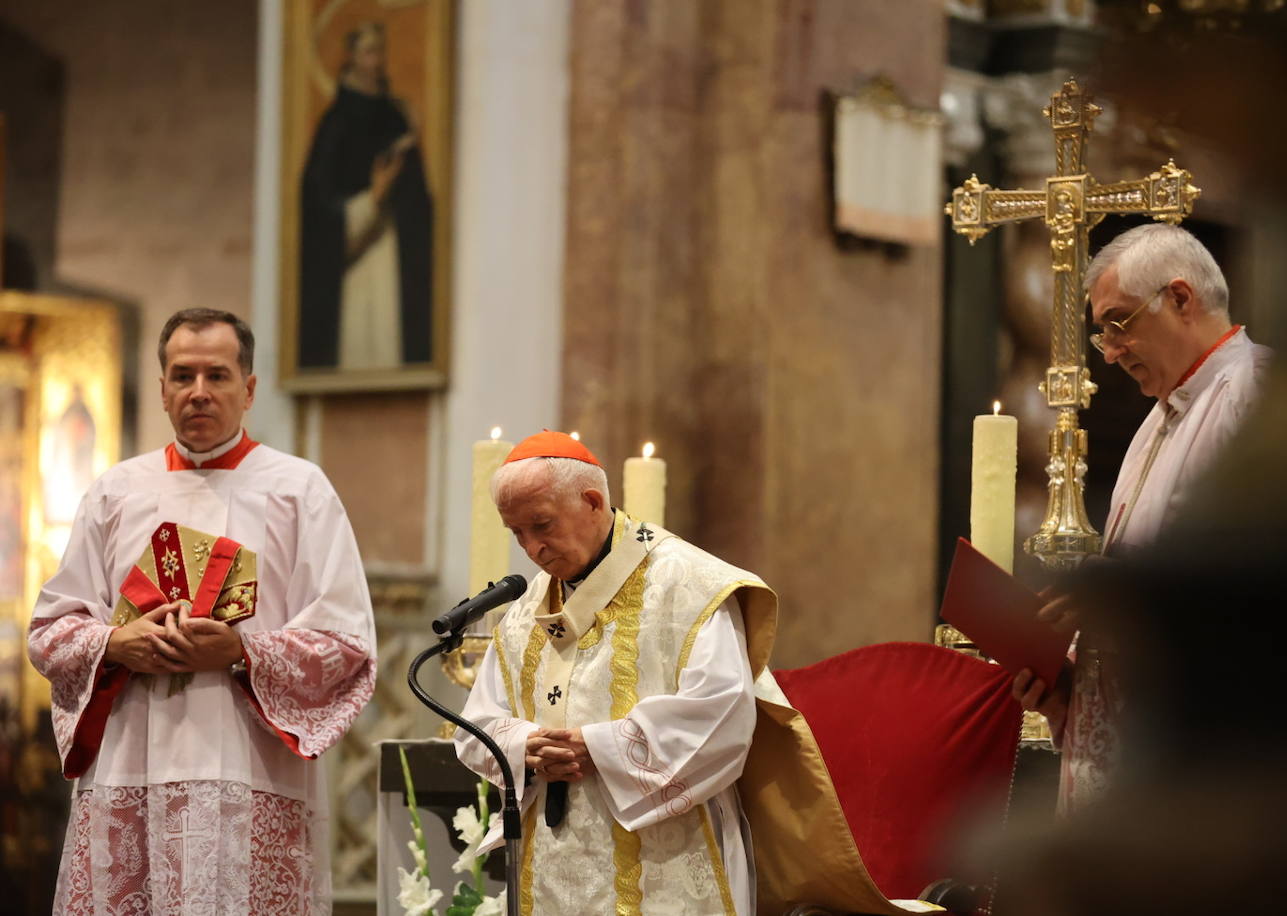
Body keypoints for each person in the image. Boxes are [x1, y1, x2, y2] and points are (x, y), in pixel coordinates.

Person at [28, 308, 376, 914]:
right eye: (182, 375)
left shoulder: (300, 490)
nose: (198, 392)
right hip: (127, 771)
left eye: (216, 375)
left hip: (248, 771)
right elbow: (48, 631)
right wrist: (115, 644)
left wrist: (243, 651)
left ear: (249, 388)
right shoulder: (116, 491)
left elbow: (346, 645)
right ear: (161, 389)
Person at [452, 431, 777, 915]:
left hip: (668, 850)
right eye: (516, 533)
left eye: (542, 525)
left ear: (592, 501)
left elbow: (722, 714)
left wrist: (597, 746)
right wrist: (524, 745)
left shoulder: (690, 585)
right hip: (551, 858)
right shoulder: (524, 612)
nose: (532, 549)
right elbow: (477, 721)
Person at [1011, 223, 1271, 814]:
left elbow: (1256, 596)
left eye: (1119, 322)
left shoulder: (1251, 392)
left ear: (1180, 298)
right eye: (1100, 332)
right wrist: (1074, 694)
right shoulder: (1158, 420)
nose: (1107, 351)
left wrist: (1116, 598)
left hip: (1209, 781)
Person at [298, 20, 433, 371]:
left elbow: (419, 200)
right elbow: (316, 209)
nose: (378, 61)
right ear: (353, 58)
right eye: (369, 52)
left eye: (381, 51)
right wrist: (372, 198)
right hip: (356, 265)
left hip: (394, 249)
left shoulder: (396, 115)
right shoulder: (336, 125)